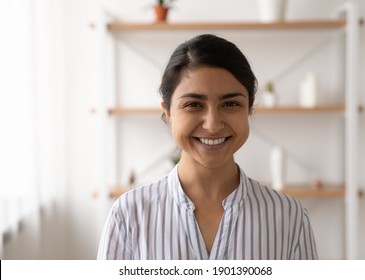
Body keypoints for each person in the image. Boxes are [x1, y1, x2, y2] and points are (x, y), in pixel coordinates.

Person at [97, 34, 318, 260]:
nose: (212, 125)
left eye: (231, 104)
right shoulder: (128, 216)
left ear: (249, 108)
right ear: (168, 112)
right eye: (193, 105)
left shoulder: (290, 218)